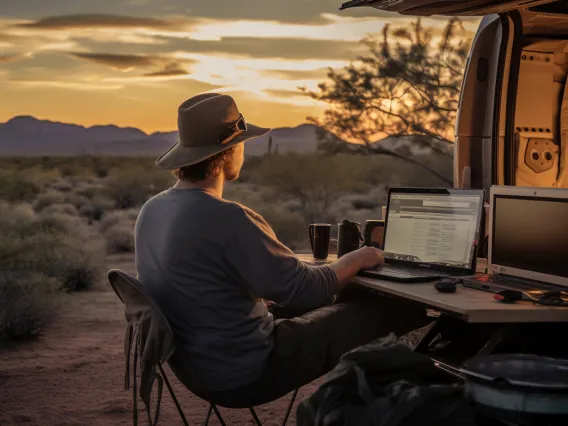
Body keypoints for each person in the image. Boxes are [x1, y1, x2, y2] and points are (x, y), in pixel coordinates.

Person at [134, 93, 431, 407]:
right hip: (246, 371)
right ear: (229, 151)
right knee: (394, 310)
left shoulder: (152, 210)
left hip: (196, 367)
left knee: (345, 302)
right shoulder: (228, 218)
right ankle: (427, 401)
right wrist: (357, 258)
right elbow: (305, 290)